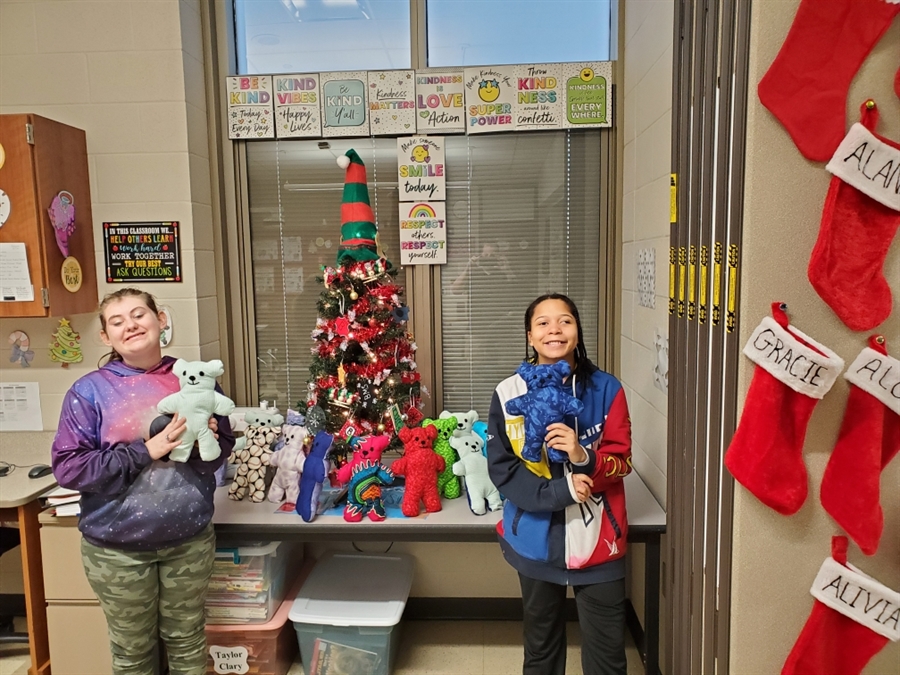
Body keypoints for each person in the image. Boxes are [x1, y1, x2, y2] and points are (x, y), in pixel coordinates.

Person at [51, 288, 235, 675]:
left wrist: (211, 441)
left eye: (139, 315)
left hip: (188, 541)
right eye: (117, 322)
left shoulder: (192, 379)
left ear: (161, 319)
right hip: (117, 551)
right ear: (106, 337)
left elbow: (220, 451)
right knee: (133, 653)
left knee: (188, 642)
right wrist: (144, 451)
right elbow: (69, 468)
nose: (131, 325)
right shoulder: (89, 392)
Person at [487, 292, 632, 675]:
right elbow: (502, 469)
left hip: (601, 543)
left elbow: (623, 463)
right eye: (543, 323)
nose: (555, 329)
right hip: (535, 541)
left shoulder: (607, 390)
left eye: (565, 320)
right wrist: (559, 492)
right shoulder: (507, 394)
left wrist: (584, 457)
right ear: (530, 336)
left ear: (578, 331)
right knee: (541, 652)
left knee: (608, 659)